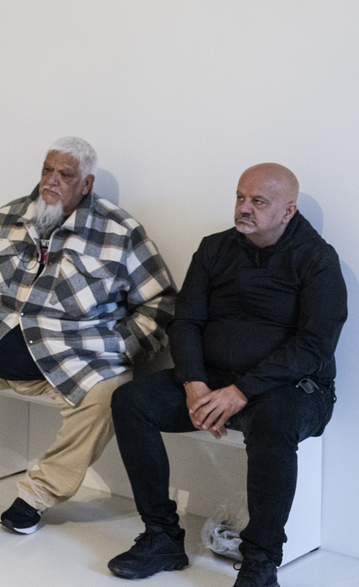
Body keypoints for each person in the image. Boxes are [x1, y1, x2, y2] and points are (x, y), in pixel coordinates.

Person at [0, 137, 177, 536]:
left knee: (110, 394)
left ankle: (37, 495)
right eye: (47, 170)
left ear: (86, 184)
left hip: (69, 362)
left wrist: (120, 347)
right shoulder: (8, 215)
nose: (51, 181)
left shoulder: (120, 231)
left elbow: (160, 302)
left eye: (65, 174)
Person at [108, 164, 344, 587]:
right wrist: (193, 382)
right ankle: (162, 536)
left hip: (290, 389)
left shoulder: (317, 258)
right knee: (131, 401)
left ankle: (261, 561)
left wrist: (242, 390)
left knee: (274, 424)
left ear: (287, 211)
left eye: (258, 201)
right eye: (240, 197)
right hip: (212, 380)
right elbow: (186, 322)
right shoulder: (215, 248)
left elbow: (314, 345)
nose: (244, 208)